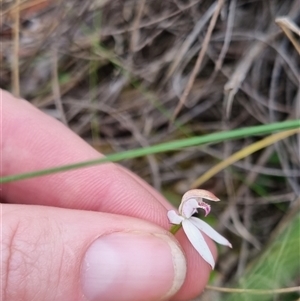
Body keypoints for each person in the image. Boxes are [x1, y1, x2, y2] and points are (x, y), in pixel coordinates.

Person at [1, 89, 217, 301]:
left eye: (200, 205)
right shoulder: (176, 219)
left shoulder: (185, 222)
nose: (201, 206)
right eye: (197, 202)